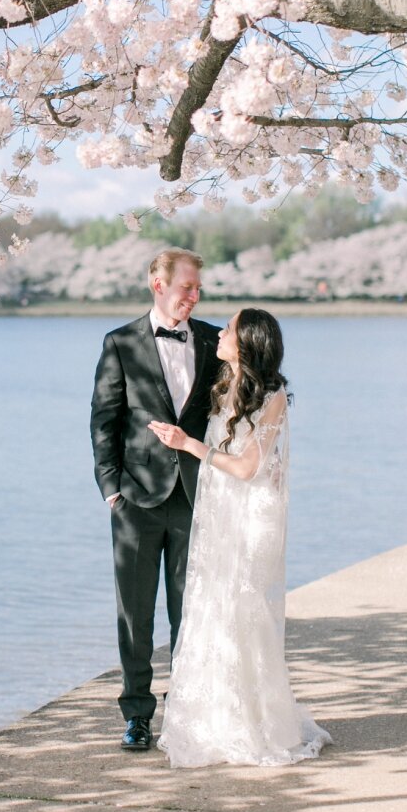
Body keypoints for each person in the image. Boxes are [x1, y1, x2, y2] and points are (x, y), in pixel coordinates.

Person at [150, 308, 331, 767]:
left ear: (246, 342)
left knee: (242, 611)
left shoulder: (272, 396)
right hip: (221, 511)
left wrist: (188, 444)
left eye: (229, 328)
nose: (221, 332)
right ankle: (216, 718)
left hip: (251, 517)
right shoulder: (227, 383)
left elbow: (249, 468)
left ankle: (254, 724)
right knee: (213, 608)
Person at [90, 248, 221, 751]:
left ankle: (187, 711)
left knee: (191, 612)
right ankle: (138, 715)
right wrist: (110, 490)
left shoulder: (213, 339)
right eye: (187, 286)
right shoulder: (120, 343)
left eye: (198, 288)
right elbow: (104, 419)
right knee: (135, 613)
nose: (194, 295)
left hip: (196, 497)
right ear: (157, 284)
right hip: (136, 501)